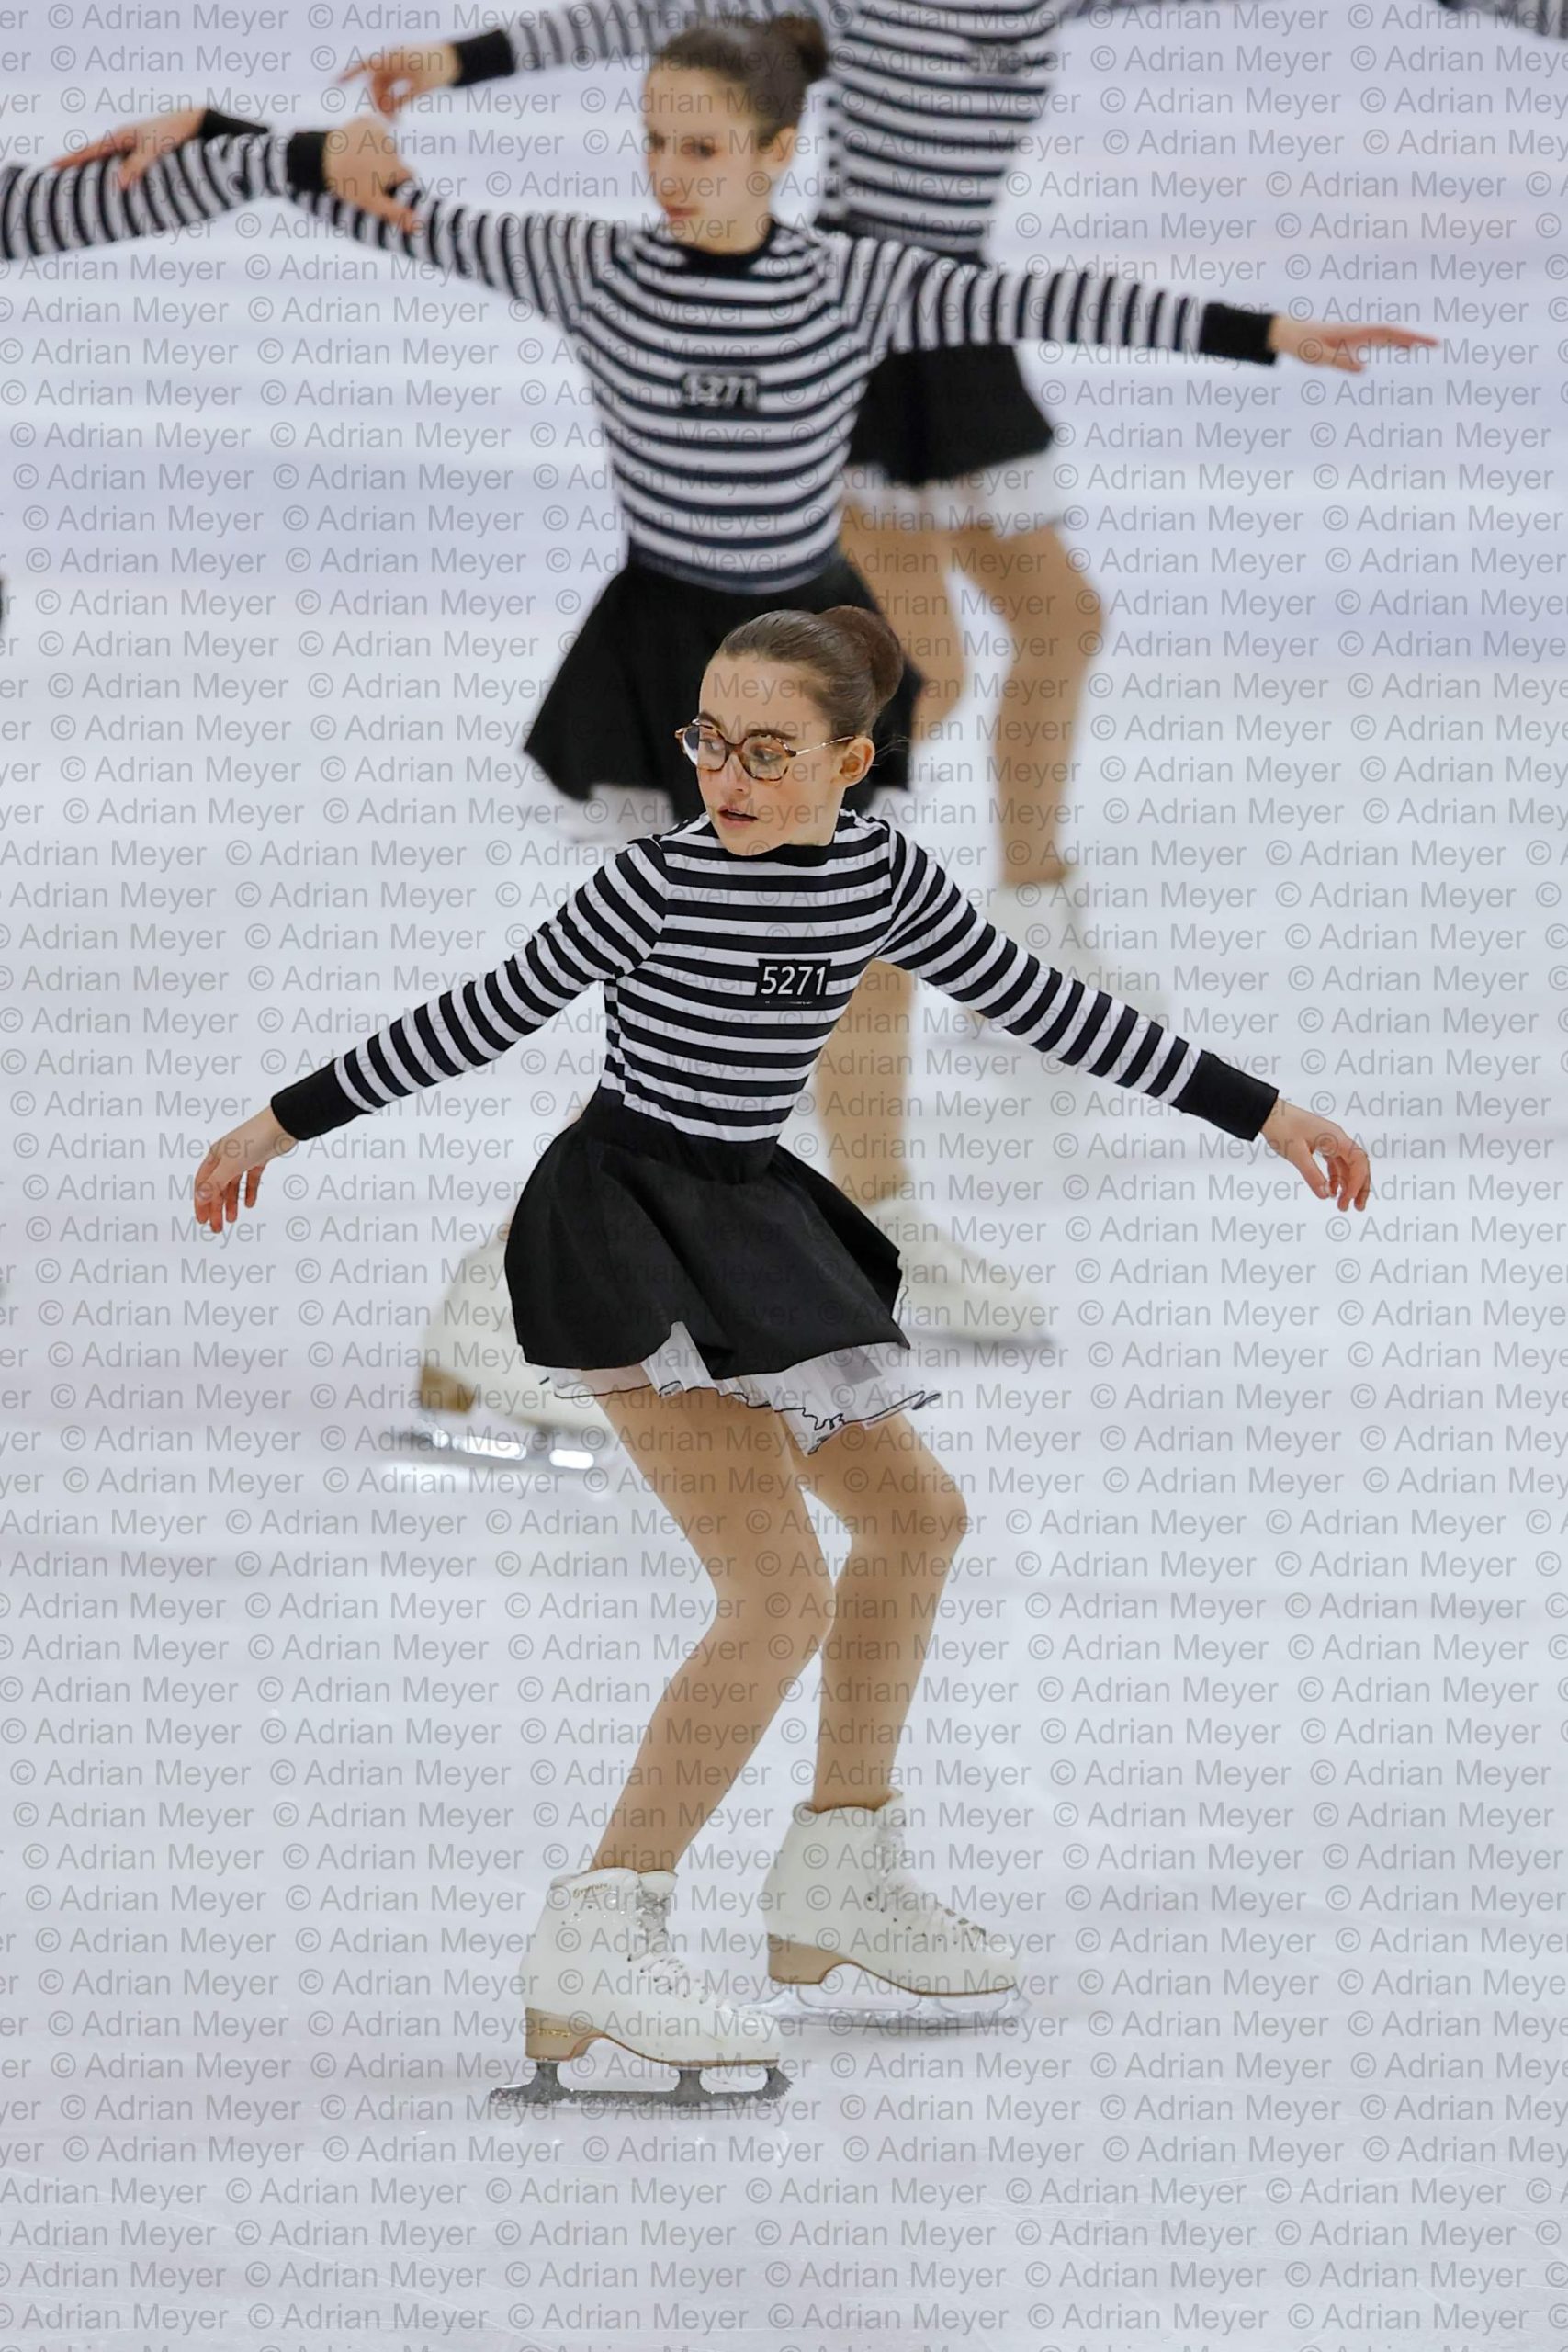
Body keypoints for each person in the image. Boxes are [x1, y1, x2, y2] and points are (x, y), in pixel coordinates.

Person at [30, 67, 1425, 1429]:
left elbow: (1046, 300)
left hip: (812, 655)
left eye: (701, 149)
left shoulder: (849, 282)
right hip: (671, 667)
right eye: (653, 143)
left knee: (870, 954)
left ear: (778, 149)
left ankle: (876, 1208)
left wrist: (1267, 332)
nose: (668, 176)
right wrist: (228, 130)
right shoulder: (593, 267)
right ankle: (490, 1312)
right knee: (664, 1017)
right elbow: (393, 210)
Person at [193, 603, 1371, 2102]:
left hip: (752, 1219)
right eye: (709, 743)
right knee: (775, 1593)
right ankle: (599, 1930)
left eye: (767, 751)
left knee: (916, 1522)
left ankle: (837, 1876)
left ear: (848, 763)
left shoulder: (883, 879)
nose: (726, 778)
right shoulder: (653, 885)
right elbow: (475, 1018)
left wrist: (1268, 1114)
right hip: (622, 1228)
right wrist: (279, 1125)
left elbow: (1056, 1011)